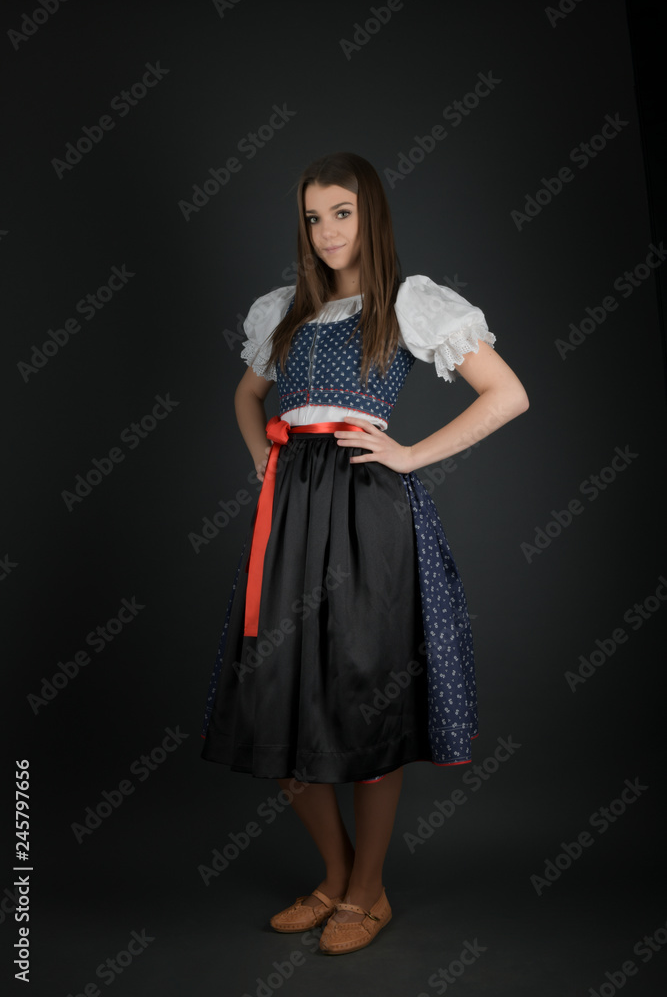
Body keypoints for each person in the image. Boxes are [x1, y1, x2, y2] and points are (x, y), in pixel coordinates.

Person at [200, 151, 529, 955]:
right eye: (313, 217)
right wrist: (261, 461)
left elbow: (508, 393)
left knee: (366, 695)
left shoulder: (408, 302)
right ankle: (337, 876)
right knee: (278, 690)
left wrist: (411, 455)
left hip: (367, 515)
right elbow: (248, 397)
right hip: (288, 516)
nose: (325, 231)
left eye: (340, 212)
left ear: (369, 214)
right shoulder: (283, 310)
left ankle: (368, 891)